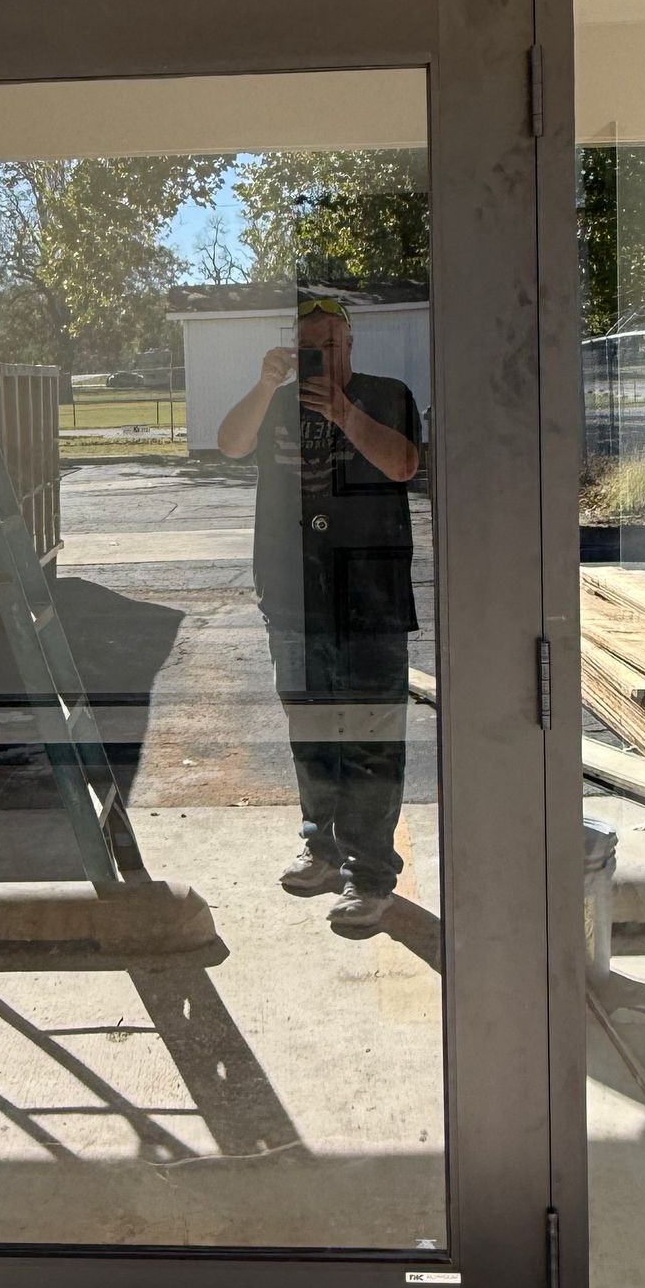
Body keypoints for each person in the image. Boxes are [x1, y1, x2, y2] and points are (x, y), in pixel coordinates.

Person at [217, 295, 422, 937]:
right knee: (311, 731)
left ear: (352, 345)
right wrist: (265, 381)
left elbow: (404, 464)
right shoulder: (275, 400)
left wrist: (342, 410)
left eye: (330, 345)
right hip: (292, 597)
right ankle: (322, 848)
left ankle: (371, 877)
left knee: (371, 738)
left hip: (373, 600)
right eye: (309, 346)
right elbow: (230, 444)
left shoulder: (387, 395)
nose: (320, 357)